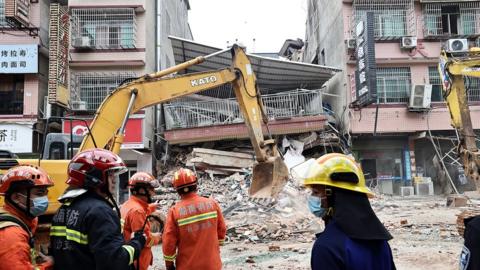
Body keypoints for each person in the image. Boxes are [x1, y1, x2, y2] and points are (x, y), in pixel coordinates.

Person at [292, 153, 396, 270]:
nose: (311, 198)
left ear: (333, 195)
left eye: (316, 192)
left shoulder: (327, 247)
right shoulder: (381, 242)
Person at [50, 148, 146, 270]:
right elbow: (114, 261)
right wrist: (137, 243)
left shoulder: (62, 209)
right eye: (110, 174)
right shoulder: (100, 211)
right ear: (94, 178)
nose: (114, 180)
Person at [162, 168, 226, 270]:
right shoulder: (212, 204)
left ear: (177, 189)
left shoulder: (175, 211)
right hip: (212, 265)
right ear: (195, 184)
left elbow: (169, 242)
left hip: (187, 266)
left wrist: (169, 264)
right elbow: (221, 230)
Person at [0, 165, 54, 270]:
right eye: (39, 193)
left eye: (45, 193)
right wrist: (48, 265)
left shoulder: (25, 220)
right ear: (16, 197)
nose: (45, 199)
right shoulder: (12, 234)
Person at [121, 172, 162, 270]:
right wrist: (157, 238)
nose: (153, 192)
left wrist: (152, 207)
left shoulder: (128, 204)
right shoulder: (138, 211)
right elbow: (145, 240)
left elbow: (142, 209)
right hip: (137, 262)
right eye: (150, 189)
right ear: (141, 190)